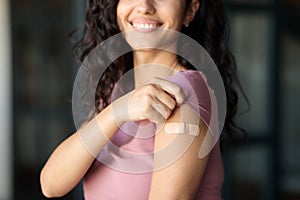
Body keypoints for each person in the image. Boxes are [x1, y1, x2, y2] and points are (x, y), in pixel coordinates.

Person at [40, 0, 244, 199]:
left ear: (189, 11)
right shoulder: (118, 89)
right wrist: (118, 111)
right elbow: (51, 184)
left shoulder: (181, 95)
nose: (145, 6)